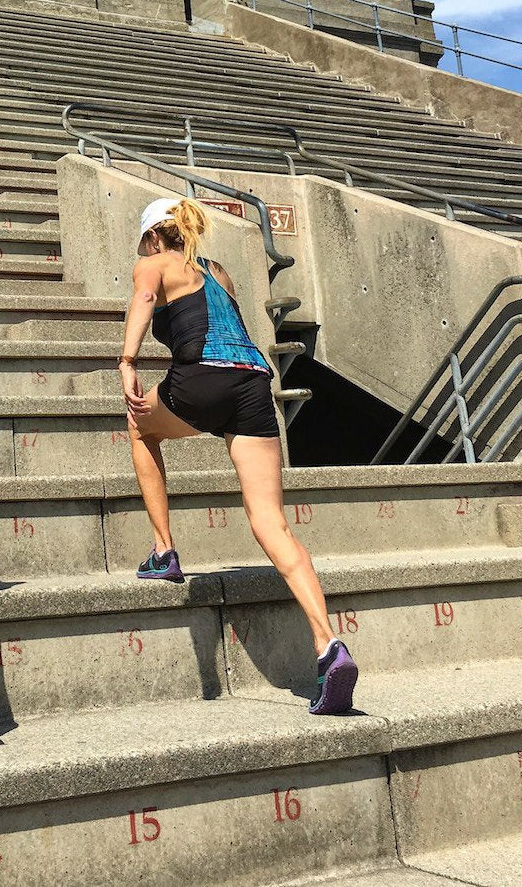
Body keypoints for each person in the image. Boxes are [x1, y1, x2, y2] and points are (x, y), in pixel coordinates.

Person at [118, 194, 358, 716]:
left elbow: (142, 300)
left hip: (202, 378)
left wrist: (128, 358)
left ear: (155, 236)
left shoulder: (155, 262)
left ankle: (164, 551)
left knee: (140, 428)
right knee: (272, 522)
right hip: (253, 386)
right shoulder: (217, 271)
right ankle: (328, 645)